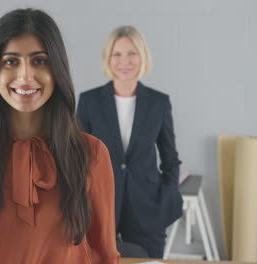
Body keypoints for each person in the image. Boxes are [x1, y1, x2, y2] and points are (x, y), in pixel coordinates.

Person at [0, 8, 119, 264]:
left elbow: (105, 256)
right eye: (11, 61)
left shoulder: (92, 153)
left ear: (57, 70)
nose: (26, 76)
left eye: (39, 61)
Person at [77, 25, 183, 258]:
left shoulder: (159, 102)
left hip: (148, 210)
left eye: (132, 53)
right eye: (117, 54)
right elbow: (77, 159)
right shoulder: (89, 101)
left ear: (142, 56)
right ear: (108, 58)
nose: (125, 61)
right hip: (99, 209)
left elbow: (170, 159)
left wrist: (165, 200)